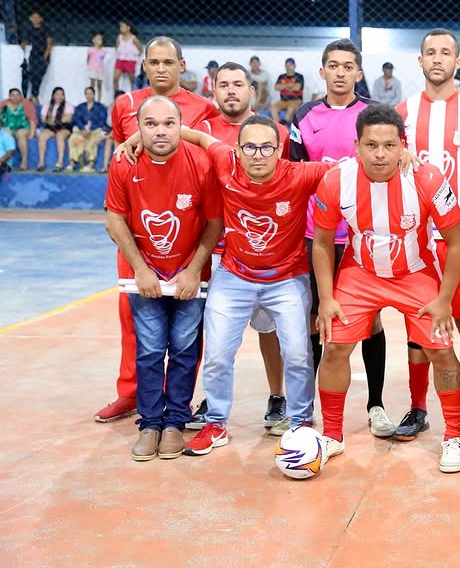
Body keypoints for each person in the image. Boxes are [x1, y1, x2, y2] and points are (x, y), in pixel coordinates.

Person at [313, 105, 460, 473]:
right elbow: (321, 242)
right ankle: (332, 434)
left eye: (389, 145)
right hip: (360, 273)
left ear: (403, 145)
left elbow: (457, 241)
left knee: (442, 352)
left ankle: (454, 436)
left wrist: (444, 299)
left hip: (415, 273)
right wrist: (326, 298)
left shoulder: (428, 179)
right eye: (371, 145)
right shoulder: (336, 180)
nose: (380, 154)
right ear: (356, 146)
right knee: (334, 348)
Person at [171, 115, 333, 457]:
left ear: (279, 150)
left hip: (287, 279)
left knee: (298, 353)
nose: (258, 155)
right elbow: (198, 137)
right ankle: (216, 423)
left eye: (266, 147)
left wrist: (404, 155)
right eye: (249, 147)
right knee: (217, 354)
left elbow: (349, 168)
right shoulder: (225, 162)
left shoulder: (300, 174)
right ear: (237, 150)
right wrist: (135, 139)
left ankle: (301, 422)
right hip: (234, 276)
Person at [95, 36, 217, 424]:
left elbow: (210, 150)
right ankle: (130, 394)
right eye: (154, 62)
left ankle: (179, 402)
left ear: (182, 66)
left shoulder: (204, 107)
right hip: (139, 233)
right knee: (132, 319)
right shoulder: (125, 104)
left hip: (188, 231)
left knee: (188, 327)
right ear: (144, 65)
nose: (161, 68)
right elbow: (124, 156)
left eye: (168, 62)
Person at [104, 95, 222, 461]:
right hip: (145, 277)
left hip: (189, 276)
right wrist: (140, 269)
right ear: (137, 129)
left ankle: (175, 422)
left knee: (185, 350)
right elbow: (114, 220)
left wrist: (193, 269)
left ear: (181, 126)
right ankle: (151, 423)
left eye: (169, 123)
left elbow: (214, 223)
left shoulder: (201, 162)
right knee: (150, 350)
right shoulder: (124, 163)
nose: (160, 131)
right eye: (150, 124)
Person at [394, 28, 460, 443]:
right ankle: (418, 407)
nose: (437, 59)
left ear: (458, 62)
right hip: (416, 237)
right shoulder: (402, 112)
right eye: (430, 52)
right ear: (420, 61)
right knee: (417, 323)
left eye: (445, 53)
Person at [289, 39, 396, 438]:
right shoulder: (304, 115)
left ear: (358, 73)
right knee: (317, 318)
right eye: (333, 65)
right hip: (314, 233)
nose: (340, 72)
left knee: (370, 318)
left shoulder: (372, 114)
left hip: (362, 234)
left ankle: (376, 405)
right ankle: (310, 409)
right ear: (322, 71)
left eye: (348, 66)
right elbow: (295, 175)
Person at [185, 62, 292, 434]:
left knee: (270, 329)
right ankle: (210, 400)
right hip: (215, 249)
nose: (231, 90)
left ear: (252, 91)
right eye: (223, 85)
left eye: (238, 84)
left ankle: (277, 397)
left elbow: (288, 183)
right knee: (214, 332)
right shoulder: (201, 131)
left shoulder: (275, 131)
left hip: (263, 249)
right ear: (213, 91)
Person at [68, 87, 112, 172]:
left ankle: (90, 165)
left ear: (94, 95)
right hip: (82, 130)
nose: (89, 96)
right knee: (74, 138)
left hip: (96, 130)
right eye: (87, 94)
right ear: (85, 95)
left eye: (91, 93)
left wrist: (90, 129)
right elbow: (76, 119)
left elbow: (102, 120)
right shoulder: (80, 107)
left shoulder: (100, 107)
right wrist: (82, 129)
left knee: (92, 140)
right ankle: (72, 163)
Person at [36, 87, 74, 172]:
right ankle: (41, 162)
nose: (60, 96)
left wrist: (53, 119)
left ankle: (60, 162)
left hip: (64, 127)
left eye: (62, 94)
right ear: (53, 95)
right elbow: (43, 119)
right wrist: (56, 120)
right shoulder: (47, 105)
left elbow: (68, 119)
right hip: (51, 127)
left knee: (60, 136)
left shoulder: (68, 105)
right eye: (57, 94)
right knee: (42, 136)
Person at [20, 12, 52, 104]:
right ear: (30, 18)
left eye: (37, 17)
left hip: (43, 55)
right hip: (33, 55)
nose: (35, 19)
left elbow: (49, 43)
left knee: (39, 75)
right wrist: (23, 44)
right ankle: (34, 96)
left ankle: (34, 96)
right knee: (33, 76)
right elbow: (27, 41)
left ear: (41, 19)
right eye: (33, 17)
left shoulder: (46, 29)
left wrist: (46, 55)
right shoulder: (29, 30)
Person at [1, 88, 37, 171]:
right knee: (5, 134)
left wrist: (32, 133)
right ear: (9, 96)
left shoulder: (26, 104)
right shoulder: (4, 104)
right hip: (8, 127)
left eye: (18, 95)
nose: (15, 97)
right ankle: (4, 161)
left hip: (23, 127)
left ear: (21, 96)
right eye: (13, 95)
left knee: (20, 135)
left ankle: (24, 161)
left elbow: (32, 120)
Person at [113, 21, 143, 97]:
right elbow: (117, 47)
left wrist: (134, 56)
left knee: (132, 79)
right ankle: (116, 95)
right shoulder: (119, 38)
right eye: (120, 27)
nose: (121, 28)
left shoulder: (133, 38)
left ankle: (133, 95)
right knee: (115, 78)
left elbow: (140, 49)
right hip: (120, 60)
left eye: (122, 26)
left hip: (130, 61)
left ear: (128, 28)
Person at [273, 59, 305, 123]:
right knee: (273, 108)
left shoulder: (299, 76)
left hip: (296, 100)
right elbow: (276, 87)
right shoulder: (281, 76)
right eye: (286, 65)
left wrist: (283, 87)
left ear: (294, 66)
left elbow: (297, 88)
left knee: (291, 108)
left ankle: (284, 123)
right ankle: (278, 125)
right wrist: (289, 85)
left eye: (290, 65)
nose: (288, 67)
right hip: (283, 101)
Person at [87, 32, 107, 101]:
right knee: (92, 84)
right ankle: (92, 98)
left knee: (99, 84)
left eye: (101, 39)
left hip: (100, 69)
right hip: (92, 68)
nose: (100, 41)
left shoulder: (103, 51)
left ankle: (99, 100)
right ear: (93, 40)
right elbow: (88, 59)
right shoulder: (91, 50)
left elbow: (103, 60)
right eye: (98, 39)